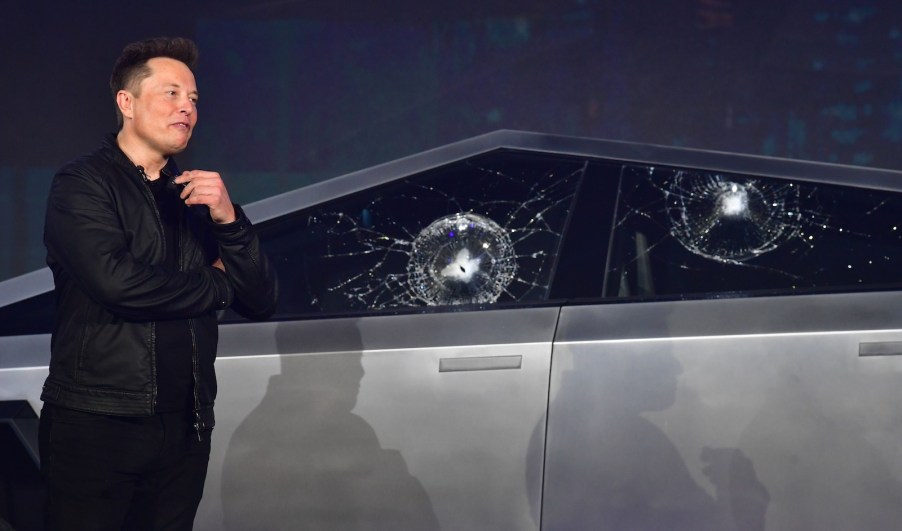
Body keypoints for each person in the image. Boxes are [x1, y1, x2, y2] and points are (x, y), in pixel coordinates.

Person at [39, 36, 277, 530]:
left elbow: (261, 299)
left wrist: (229, 219)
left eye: (193, 99)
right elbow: (119, 284)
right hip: (99, 421)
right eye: (171, 93)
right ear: (127, 102)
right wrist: (218, 287)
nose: (187, 108)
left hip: (186, 424)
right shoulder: (82, 183)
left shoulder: (197, 194)